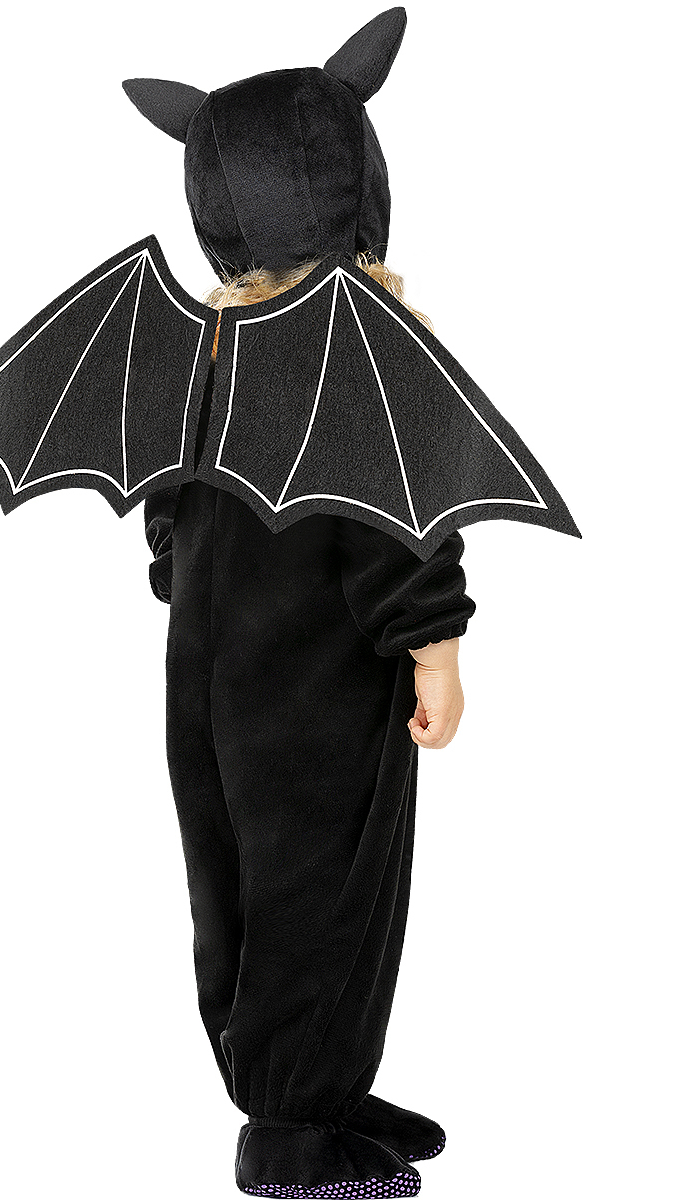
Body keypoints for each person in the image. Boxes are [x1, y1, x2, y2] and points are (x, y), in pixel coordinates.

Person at [144, 251, 475, 1198]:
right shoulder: (355, 362)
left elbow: (166, 532)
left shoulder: (201, 364)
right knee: (328, 897)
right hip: (321, 692)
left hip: (207, 688)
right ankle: (291, 1138)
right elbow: (397, 530)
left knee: (238, 893)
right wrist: (435, 654)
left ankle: (312, 1095)